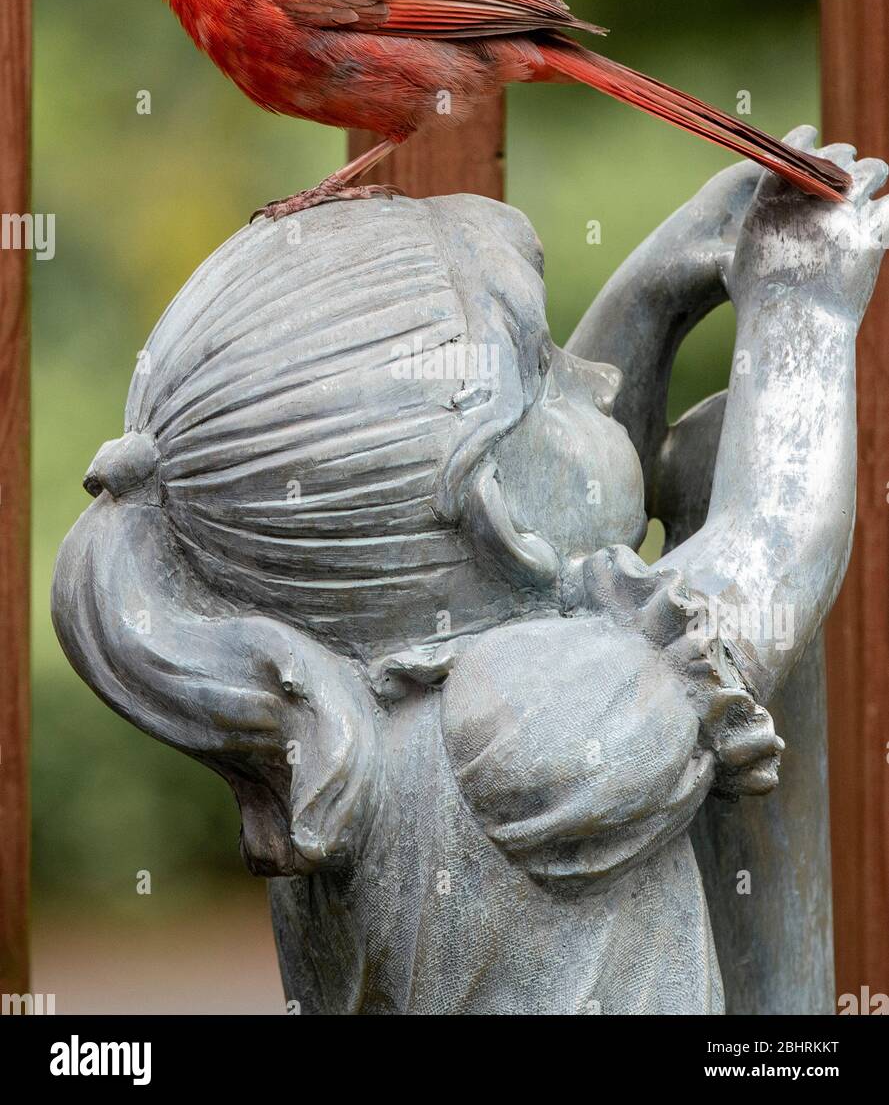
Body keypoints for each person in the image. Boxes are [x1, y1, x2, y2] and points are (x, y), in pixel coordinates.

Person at [53, 129, 887, 1014]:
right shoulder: (515, 728)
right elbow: (766, 558)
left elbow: (569, 521)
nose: (591, 376)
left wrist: (655, 289)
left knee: (702, 451)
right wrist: (806, 312)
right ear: (492, 508)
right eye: (546, 367)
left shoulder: (357, 729)